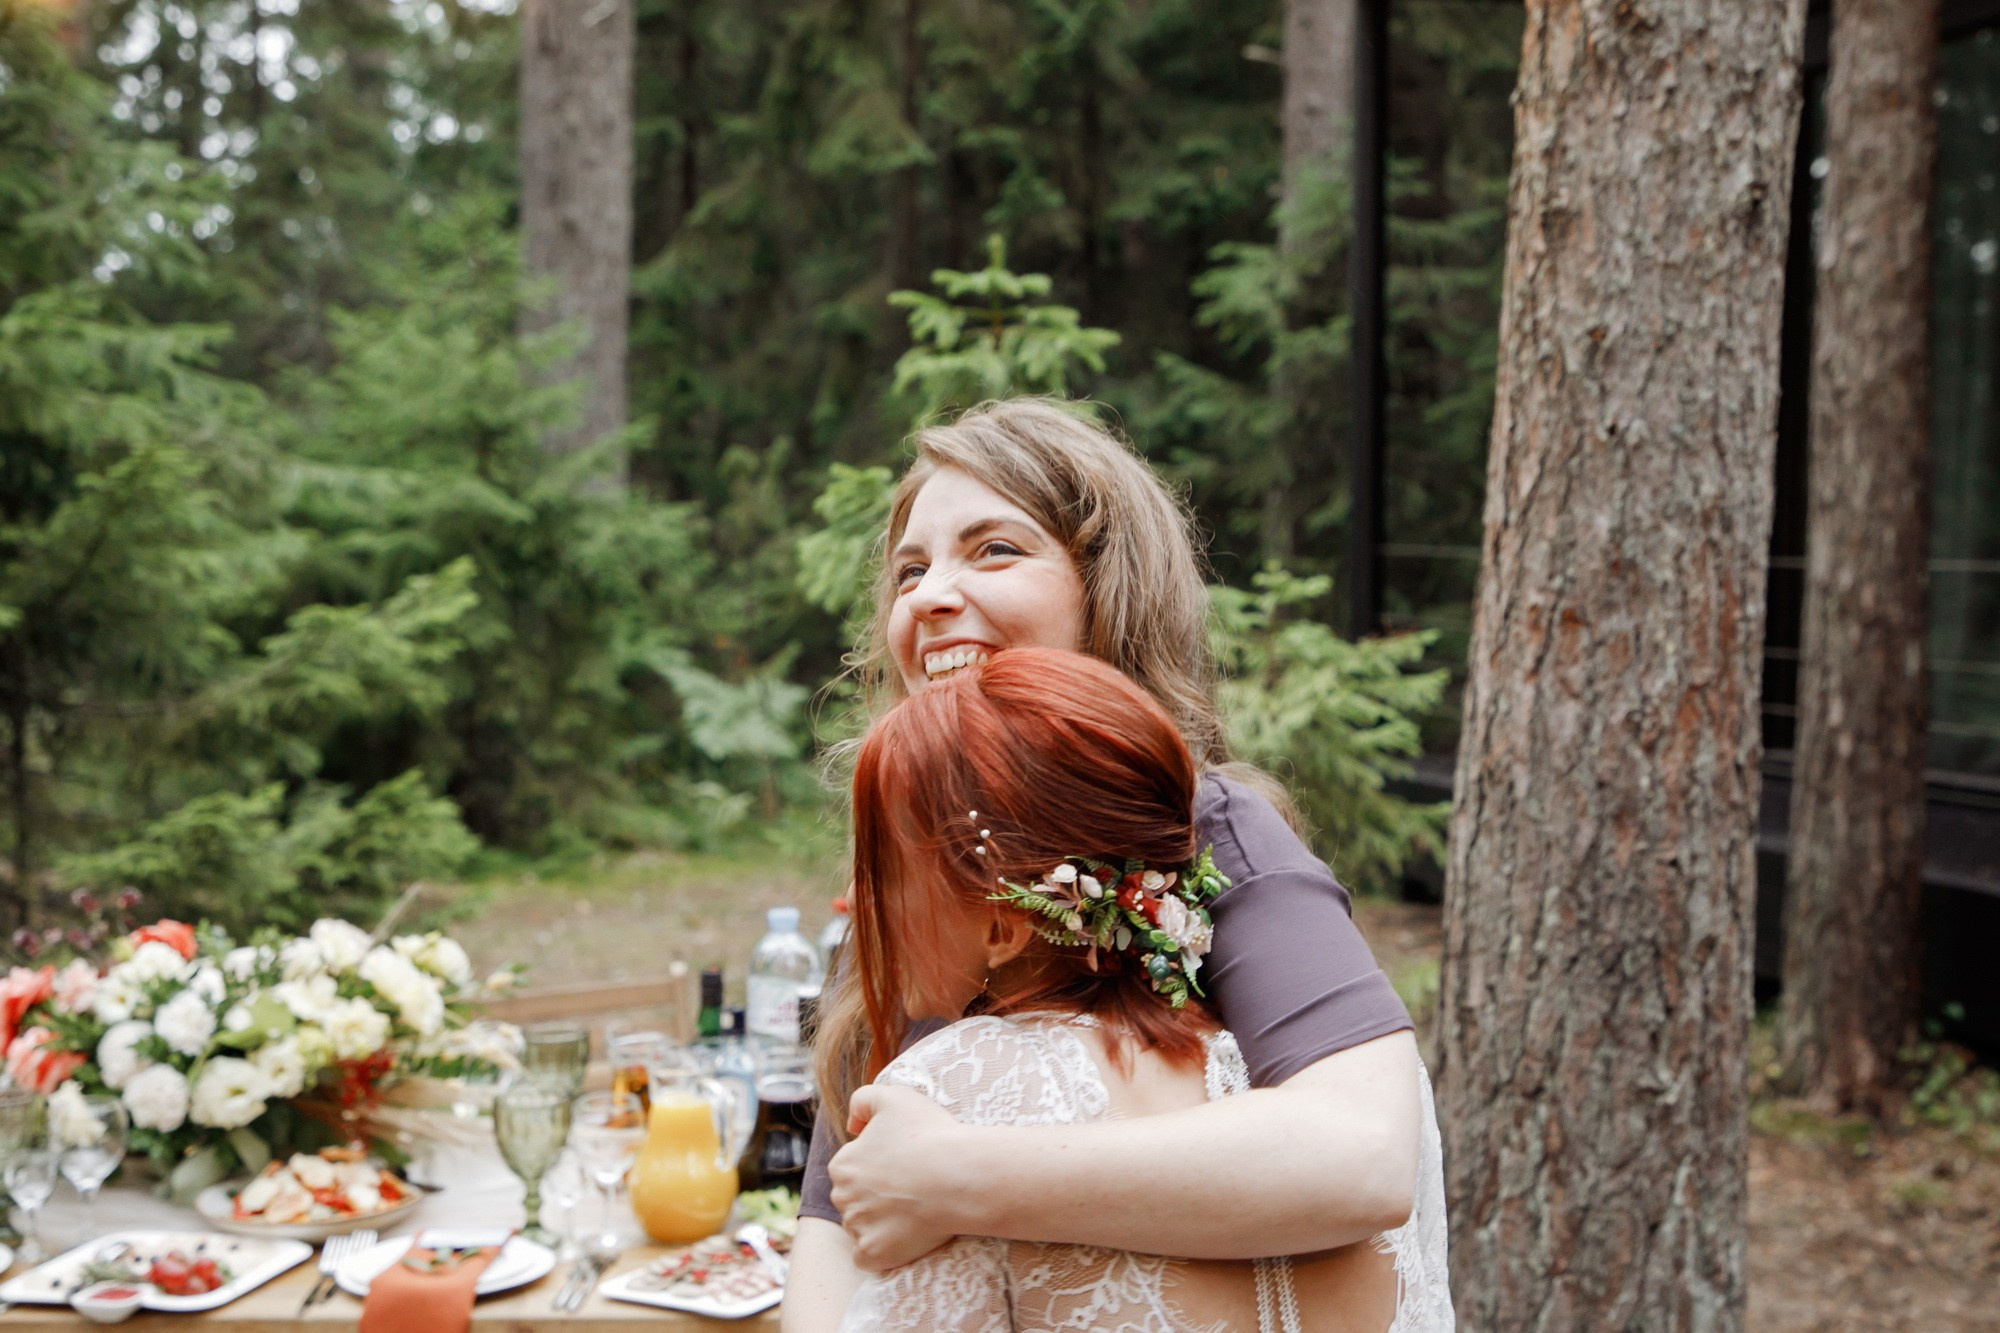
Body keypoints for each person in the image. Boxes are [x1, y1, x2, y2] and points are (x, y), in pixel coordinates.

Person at [783, 399, 1440, 1330]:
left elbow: (1364, 1153)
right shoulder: (914, 869)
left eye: (994, 550)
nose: (928, 595)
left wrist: (957, 1176)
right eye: (909, 570)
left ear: (1107, 587)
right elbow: (836, 1216)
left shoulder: (1211, 828)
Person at [819, 647, 1449, 1331]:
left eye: (881, 870)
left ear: (1002, 925)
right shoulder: (1380, 1082)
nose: (850, 899)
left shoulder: (957, 1093)